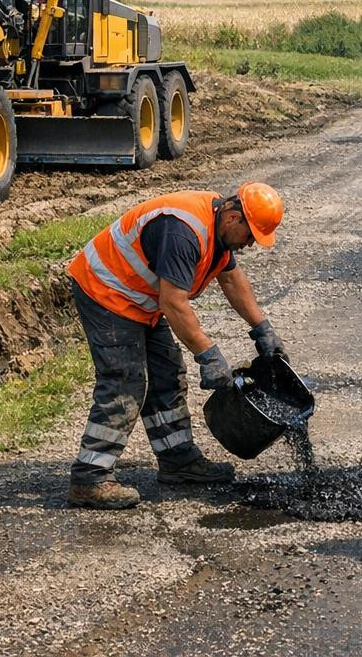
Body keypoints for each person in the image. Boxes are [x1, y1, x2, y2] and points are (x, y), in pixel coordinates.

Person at [64, 182, 288, 509]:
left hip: (139, 299)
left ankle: (178, 461)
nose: (251, 244)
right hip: (107, 291)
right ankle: (90, 477)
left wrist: (262, 328)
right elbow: (173, 302)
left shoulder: (217, 228)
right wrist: (208, 355)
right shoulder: (183, 231)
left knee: (166, 373)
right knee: (125, 380)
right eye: (251, 235)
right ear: (233, 217)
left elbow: (230, 278)